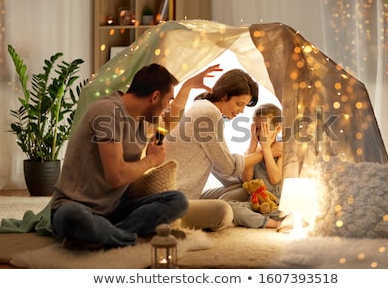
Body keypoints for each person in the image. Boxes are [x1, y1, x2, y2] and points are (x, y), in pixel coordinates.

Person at [51, 63, 222, 251]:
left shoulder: (141, 118)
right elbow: (115, 177)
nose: (168, 107)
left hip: (113, 209)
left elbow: (168, 122)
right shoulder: (108, 111)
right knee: (73, 216)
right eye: (168, 100)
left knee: (177, 201)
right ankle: (126, 237)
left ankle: (107, 235)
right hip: (75, 206)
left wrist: (188, 86)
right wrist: (151, 161)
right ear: (155, 96)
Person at [164, 68, 264, 231]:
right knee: (223, 212)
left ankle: (207, 215)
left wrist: (246, 182)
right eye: (239, 104)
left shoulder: (201, 107)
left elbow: (219, 166)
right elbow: (229, 167)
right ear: (224, 95)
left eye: (245, 106)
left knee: (241, 189)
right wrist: (264, 154)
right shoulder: (208, 114)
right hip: (174, 202)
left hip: (184, 197)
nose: (241, 110)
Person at [229, 103, 284, 229]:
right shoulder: (253, 153)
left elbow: (275, 179)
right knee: (231, 207)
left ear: (277, 128)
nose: (260, 134)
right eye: (257, 129)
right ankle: (271, 224)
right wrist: (252, 145)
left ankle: (271, 221)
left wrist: (266, 149)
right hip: (256, 203)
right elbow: (247, 181)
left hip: (275, 205)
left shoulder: (281, 150)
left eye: (264, 128)